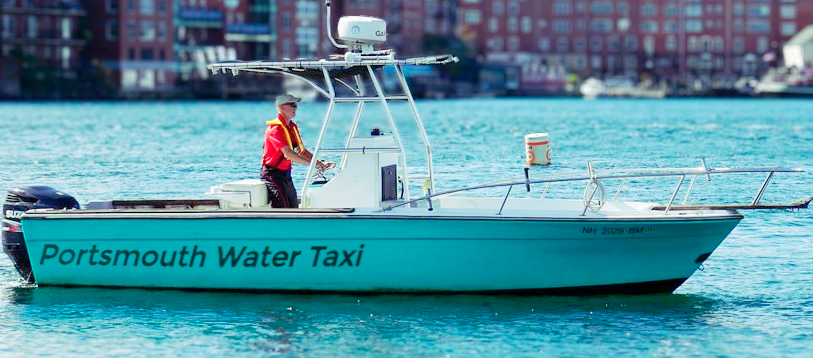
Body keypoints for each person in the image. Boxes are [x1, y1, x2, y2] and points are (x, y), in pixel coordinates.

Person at [261, 94, 329, 208]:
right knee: (282, 207)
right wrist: (312, 165)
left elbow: (302, 152)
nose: (295, 108)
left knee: (293, 206)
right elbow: (289, 154)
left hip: (285, 174)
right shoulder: (275, 129)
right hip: (272, 174)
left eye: (295, 105)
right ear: (281, 107)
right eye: (292, 105)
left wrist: (319, 164)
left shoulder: (292, 127)